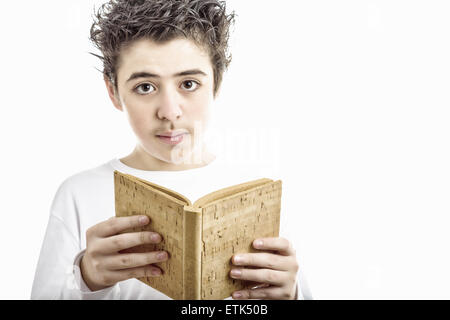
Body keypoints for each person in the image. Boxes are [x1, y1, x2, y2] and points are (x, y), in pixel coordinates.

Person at [31, 0, 312, 300]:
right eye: (145, 87)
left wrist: (290, 295)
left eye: (189, 83)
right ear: (113, 92)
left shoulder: (260, 195)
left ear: (216, 83)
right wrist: (86, 279)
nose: (169, 112)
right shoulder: (79, 194)